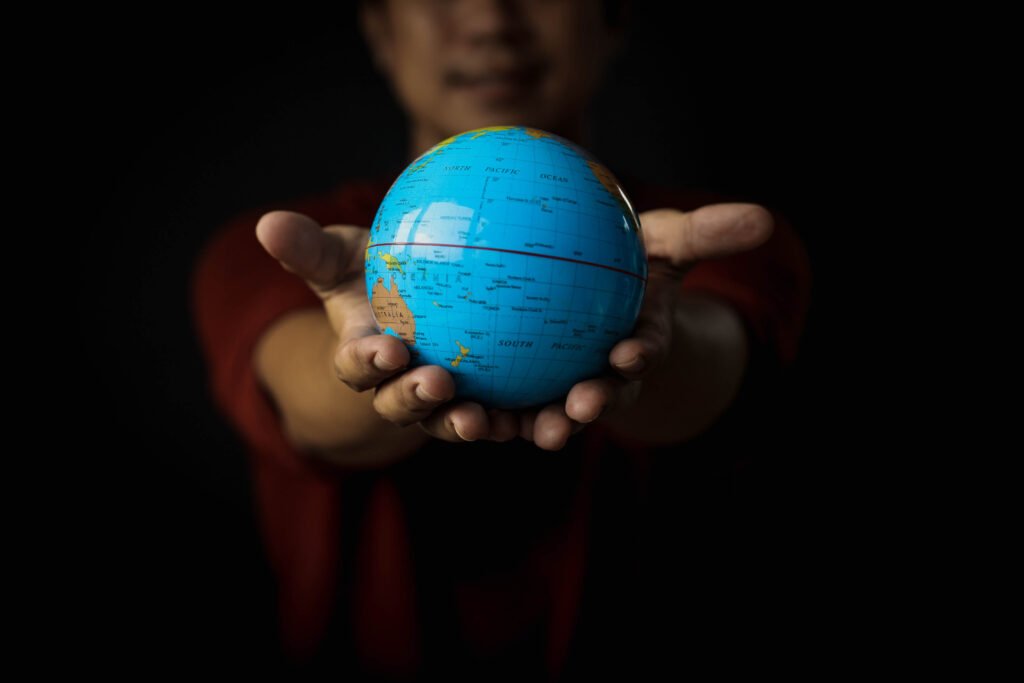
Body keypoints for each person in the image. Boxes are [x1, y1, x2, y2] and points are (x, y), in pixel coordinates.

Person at [190, 0, 811, 679]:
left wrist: (646, 339)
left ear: (613, 19)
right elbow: (306, 399)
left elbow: (713, 376)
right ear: (380, 32)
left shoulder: (716, 244)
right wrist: (371, 368)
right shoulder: (270, 252)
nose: (490, 20)